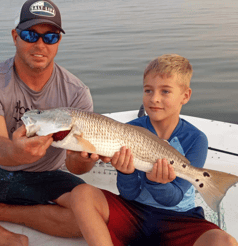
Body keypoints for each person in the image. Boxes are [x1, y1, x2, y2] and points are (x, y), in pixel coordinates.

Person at [69, 54, 238, 245]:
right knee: (81, 194)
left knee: (225, 242)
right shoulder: (128, 130)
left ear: (185, 96)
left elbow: (174, 198)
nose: (154, 98)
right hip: (132, 211)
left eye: (165, 91)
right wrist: (126, 173)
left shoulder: (196, 139)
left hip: (179, 219)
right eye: (148, 90)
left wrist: (157, 183)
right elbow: (128, 195)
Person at [0, 0, 103, 242]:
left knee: (90, 217)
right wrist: (16, 152)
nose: (40, 45)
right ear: (15, 36)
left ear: (58, 42)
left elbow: (77, 167)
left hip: (47, 175)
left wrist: (82, 159)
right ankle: (4, 237)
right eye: (31, 35)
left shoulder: (77, 93)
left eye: (50, 37)